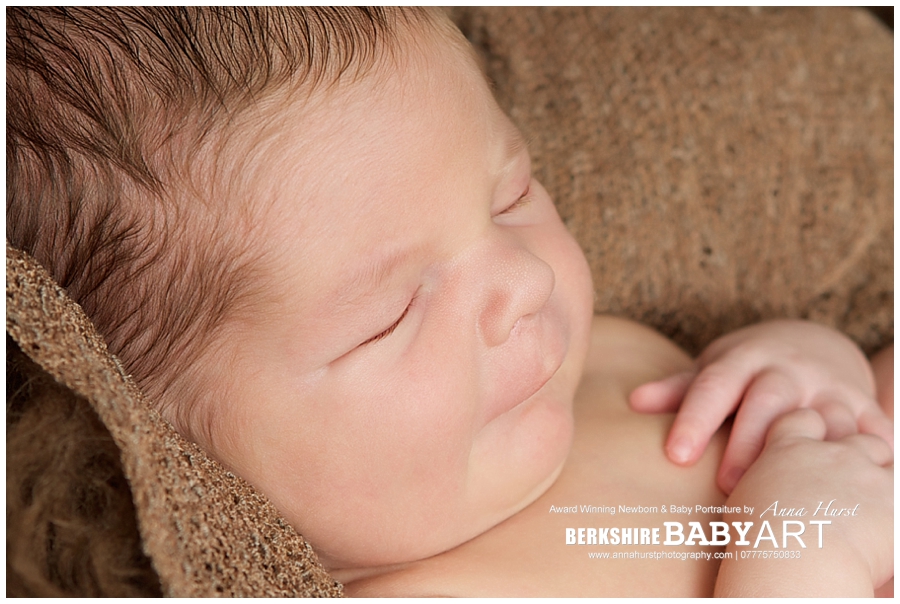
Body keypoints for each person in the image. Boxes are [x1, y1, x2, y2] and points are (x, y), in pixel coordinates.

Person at [7, 7, 892, 597]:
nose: (526, 281)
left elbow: (851, 408)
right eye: (391, 314)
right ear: (164, 442)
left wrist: (803, 363)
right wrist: (806, 559)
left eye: (511, 197)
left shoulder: (608, 361)